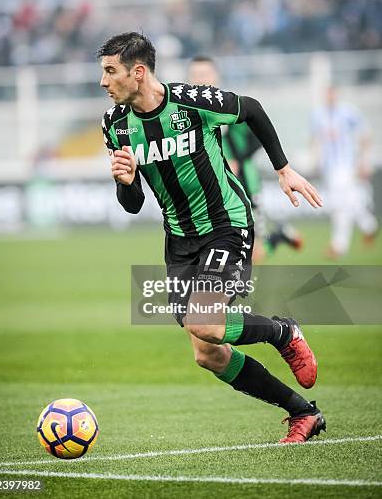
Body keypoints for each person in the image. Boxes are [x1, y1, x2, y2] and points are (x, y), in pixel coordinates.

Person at [99, 31, 325, 444]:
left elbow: (252, 110)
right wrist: (126, 183)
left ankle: (283, 333)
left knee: (206, 322)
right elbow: (131, 203)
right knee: (208, 353)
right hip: (179, 239)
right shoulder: (114, 124)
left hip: (226, 223)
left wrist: (283, 168)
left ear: (138, 71)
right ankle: (303, 413)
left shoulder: (190, 100)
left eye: (110, 71)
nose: (103, 81)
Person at [188, 55, 303, 261]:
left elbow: (259, 136)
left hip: (245, 184)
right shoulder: (186, 113)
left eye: (204, 74)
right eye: (195, 75)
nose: (200, 80)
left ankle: (277, 237)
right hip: (212, 192)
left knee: (253, 253)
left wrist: (238, 160)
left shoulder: (231, 106)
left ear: (216, 76)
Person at [311, 85, 378, 258]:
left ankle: (339, 246)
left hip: (345, 164)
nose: (330, 97)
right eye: (328, 94)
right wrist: (317, 161)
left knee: (340, 205)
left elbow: (365, 134)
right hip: (329, 166)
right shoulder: (318, 114)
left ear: (337, 94)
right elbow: (315, 139)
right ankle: (369, 225)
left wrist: (364, 161)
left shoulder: (348, 112)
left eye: (333, 93)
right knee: (349, 200)